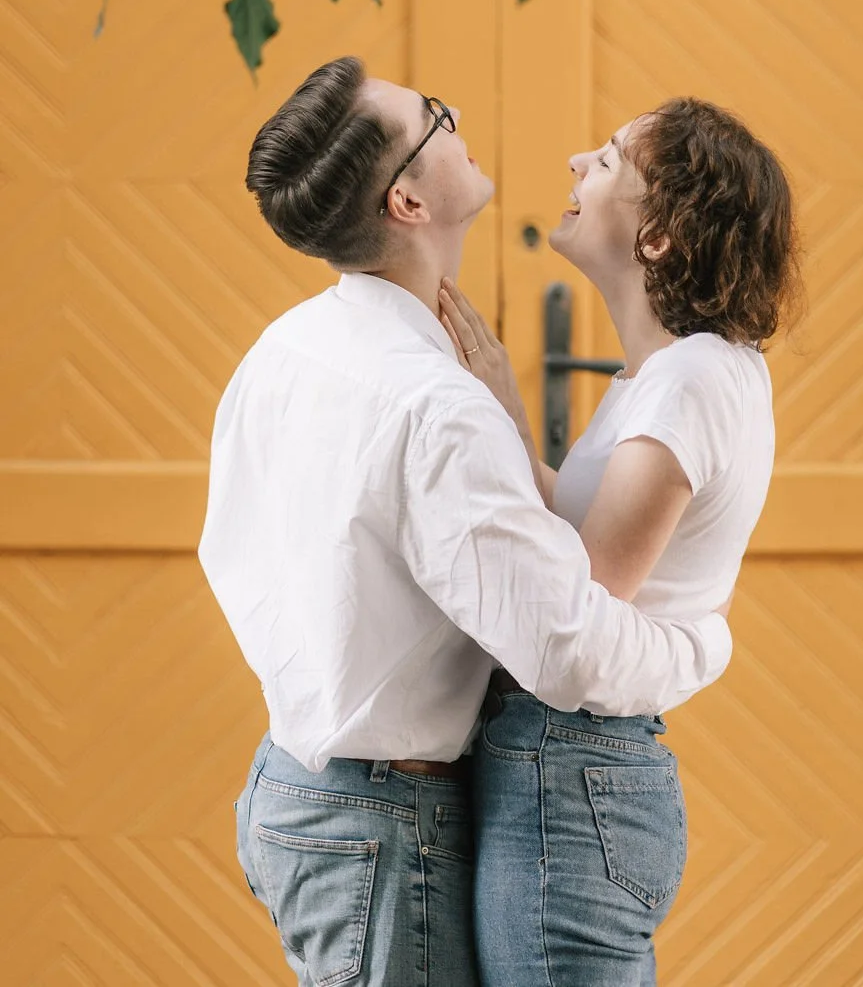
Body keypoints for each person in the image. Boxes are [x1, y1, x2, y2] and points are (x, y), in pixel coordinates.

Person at [197, 58, 735, 987]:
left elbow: (227, 553)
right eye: (434, 118)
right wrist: (700, 644)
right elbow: (563, 651)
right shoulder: (435, 407)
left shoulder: (282, 350)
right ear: (407, 200)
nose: (456, 121)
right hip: (377, 825)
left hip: (292, 788)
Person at [438, 97, 801, 987]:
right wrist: (511, 417)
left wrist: (699, 643)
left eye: (606, 162)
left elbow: (582, 599)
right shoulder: (678, 374)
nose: (574, 162)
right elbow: (587, 548)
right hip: (575, 769)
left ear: (659, 237)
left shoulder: (689, 380)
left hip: (573, 770)